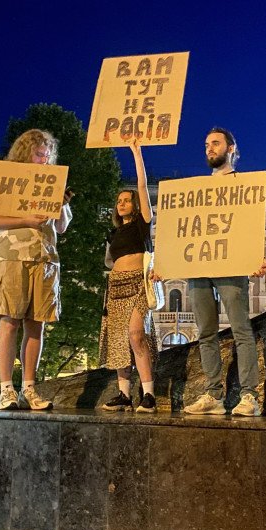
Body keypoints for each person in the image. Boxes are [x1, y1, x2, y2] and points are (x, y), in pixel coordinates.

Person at [0, 129, 72, 411]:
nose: (44, 157)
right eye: (38, 151)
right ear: (24, 152)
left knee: (37, 323)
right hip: (11, 256)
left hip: (45, 259)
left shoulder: (51, 183)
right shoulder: (6, 179)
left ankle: (29, 387)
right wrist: (25, 220)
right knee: (9, 321)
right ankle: (6, 389)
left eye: (47, 153)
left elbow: (61, 227)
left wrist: (63, 205)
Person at [182, 127, 266, 417]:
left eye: (215, 143)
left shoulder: (245, 185)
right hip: (200, 266)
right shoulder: (196, 191)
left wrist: (256, 255)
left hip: (231, 265)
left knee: (241, 329)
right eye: (206, 144)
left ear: (231, 148)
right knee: (206, 332)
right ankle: (213, 395)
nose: (209, 148)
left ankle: (249, 396)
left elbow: (251, 225)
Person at [100, 139, 158, 413]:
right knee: (119, 340)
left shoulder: (142, 224)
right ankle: (123, 394)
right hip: (116, 285)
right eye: (119, 201)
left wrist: (137, 154)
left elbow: (143, 187)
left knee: (136, 335)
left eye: (127, 200)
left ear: (135, 205)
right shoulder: (113, 233)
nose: (122, 203)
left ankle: (148, 394)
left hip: (137, 283)